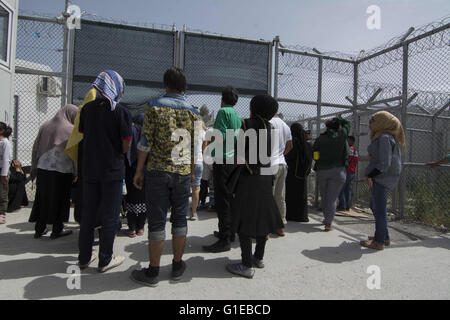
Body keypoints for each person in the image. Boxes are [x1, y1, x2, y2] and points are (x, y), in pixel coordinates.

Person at [131, 67, 198, 287]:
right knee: (180, 220)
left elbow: (145, 141)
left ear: (166, 84)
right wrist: (189, 173)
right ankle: (177, 265)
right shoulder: (193, 112)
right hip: (182, 172)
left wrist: (139, 169)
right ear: (184, 86)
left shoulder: (154, 106)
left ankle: (153, 272)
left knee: (157, 221)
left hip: (158, 171)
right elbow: (194, 145)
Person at [77, 70, 132, 273]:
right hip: (112, 170)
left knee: (88, 213)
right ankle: (105, 259)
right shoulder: (121, 112)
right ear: (117, 88)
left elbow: (83, 133)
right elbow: (126, 144)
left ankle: (83, 257)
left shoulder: (87, 109)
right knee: (110, 215)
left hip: (90, 169)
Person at [226, 94, 284, 279]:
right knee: (262, 219)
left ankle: (246, 264)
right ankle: (258, 257)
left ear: (253, 107)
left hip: (249, 178)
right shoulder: (271, 127)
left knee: (245, 221)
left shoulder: (246, 124)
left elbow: (240, 154)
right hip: (267, 177)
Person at [203, 86, 242, 253]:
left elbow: (220, 135)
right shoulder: (237, 116)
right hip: (233, 160)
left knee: (221, 199)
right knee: (230, 198)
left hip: (222, 159)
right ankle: (230, 232)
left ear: (222, 99)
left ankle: (225, 239)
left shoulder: (222, 112)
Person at [29, 105, 78, 238]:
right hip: (63, 171)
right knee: (61, 199)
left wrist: (34, 164)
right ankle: (57, 229)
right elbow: (74, 153)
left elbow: (36, 146)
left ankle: (39, 228)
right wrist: (76, 171)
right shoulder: (71, 129)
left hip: (43, 169)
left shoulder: (45, 126)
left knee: (42, 198)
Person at [361, 111, 405, 250]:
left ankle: (379, 242)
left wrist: (371, 175)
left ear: (382, 122)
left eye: (373, 120)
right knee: (375, 206)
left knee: (379, 210)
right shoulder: (383, 137)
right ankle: (383, 236)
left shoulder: (385, 138)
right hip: (379, 177)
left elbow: (385, 163)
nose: (370, 123)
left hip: (381, 178)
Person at [313, 116, 351, 231]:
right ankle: (328, 222)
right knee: (332, 198)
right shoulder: (342, 135)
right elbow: (347, 123)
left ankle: (326, 218)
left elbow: (315, 153)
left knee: (324, 196)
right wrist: (338, 118)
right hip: (338, 170)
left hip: (322, 170)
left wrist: (319, 161)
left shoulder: (321, 139)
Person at [269, 114, 292, 236]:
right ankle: (280, 226)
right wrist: (280, 155)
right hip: (282, 164)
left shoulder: (268, 123)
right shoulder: (285, 126)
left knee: (267, 196)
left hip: (270, 165)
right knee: (280, 196)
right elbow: (289, 146)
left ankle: (266, 227)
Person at [124, 114, 147, 237]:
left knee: (131, 197)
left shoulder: (131, 130)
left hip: (131, 168)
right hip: (145, 168)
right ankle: (141, 228)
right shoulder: (148, 132)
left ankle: (132, 228)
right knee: (143, 199)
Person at [285, 123, 313, 222]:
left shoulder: (292, 143)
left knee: (290, 194)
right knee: (302, 195)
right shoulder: (307, 145)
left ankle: (290, 215)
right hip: (303, 174)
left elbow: (288, 156)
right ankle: (301, 216)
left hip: (291, 173)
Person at [189, 118, 206, 221]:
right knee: (196, 188)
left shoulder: (188, 132)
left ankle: (180, 211)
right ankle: (194, 212)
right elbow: (203, 149)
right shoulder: (203, 133)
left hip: (187, 162)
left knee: (183, 189)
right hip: (199, 162)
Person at [337, 135, 359, 211]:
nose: (346, 142)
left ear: (351, 141)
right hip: (352, 172)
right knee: (348, 190)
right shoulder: (356, 151)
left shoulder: (347, 150)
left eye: (347, 140)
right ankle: (347, 206)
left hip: (346, 171)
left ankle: (342, 205)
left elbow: (343, 160)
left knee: (340, 189)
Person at [0, 123, 12, 224]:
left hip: (1, 171)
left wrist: (4, 174)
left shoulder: (5, 143)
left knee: (2, 192)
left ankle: (2, 214)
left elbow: (5, 159)